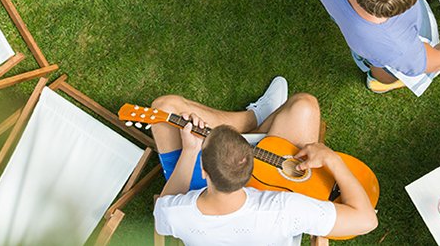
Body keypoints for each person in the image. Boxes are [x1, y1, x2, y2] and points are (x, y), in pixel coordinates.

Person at [151, 77, 378, 244]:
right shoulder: (284, 209)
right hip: (275, 200)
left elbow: (165, 205)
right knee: (304, 105)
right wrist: (332, 159)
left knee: (164, 107)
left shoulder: (176, 213)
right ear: (251, 165)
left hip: (198, 189)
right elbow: (367, 221)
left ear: (203, 169)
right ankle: (257, 120)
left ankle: (256, 119)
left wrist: (190, 152)